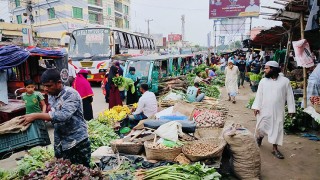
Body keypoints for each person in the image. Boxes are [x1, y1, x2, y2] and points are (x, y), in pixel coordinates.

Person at [19, 68, 91, 167]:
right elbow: (53, 113)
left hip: (77, 142)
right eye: (44, 86)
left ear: (59, 83)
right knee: (63, 172)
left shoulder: (71, 94)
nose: (45, 89)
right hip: (60, 142)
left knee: (82, 172)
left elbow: (63, 115)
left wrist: (36, 115)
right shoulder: (52, 95)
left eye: (49, 86)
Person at [252, 61, 295, 159]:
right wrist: (256, 107)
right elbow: (259, 95)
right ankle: (259, 138)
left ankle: (275, 149)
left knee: (277, 129)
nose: (264, 70)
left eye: (266, 68)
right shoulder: (263, 81)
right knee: (261, 126)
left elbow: (290, 96)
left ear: (273, 69)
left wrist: (291, 109)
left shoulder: (285, 81)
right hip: (264, 109)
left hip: (278, 111)